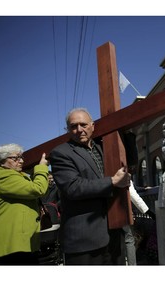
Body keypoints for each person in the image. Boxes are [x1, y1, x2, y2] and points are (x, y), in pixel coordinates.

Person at [49, 107, 131, 265]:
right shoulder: (61, 153)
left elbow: (130, 161)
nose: (79, 130)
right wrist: (112, 181)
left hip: (113, 233)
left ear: (93, 126)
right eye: (73, 126)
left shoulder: (105, 147)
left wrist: (127, 131)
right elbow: (73, 187)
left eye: (83, 124)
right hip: (83, 241)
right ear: (67, 129)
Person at [0, 143, 49, 265]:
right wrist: (41, 168)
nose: (20, 161)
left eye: (22, 158)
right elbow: (38, 189)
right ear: (2, 160)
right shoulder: (3, 175)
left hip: (19, 243)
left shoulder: (14, 175)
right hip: (12, 244)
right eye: (15, 158)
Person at [122, 181, 155, 265]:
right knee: (129, 240)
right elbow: (133, 194)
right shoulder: (122, 172)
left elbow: (133, 187)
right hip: (123, 212)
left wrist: (143, 188)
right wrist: (149, 212)